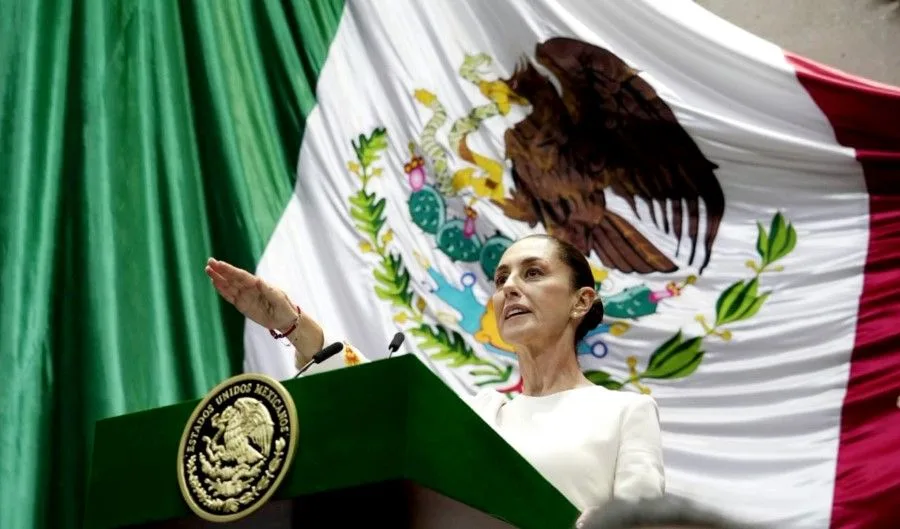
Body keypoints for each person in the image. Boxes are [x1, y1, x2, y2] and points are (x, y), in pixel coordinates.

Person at [205, 234, 665, 511]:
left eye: (533, 273)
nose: (509, 289)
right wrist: (292, 325)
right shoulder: (483, 414)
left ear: (581, 301)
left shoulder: (625, 413)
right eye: (501, 279)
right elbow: (378, 403)